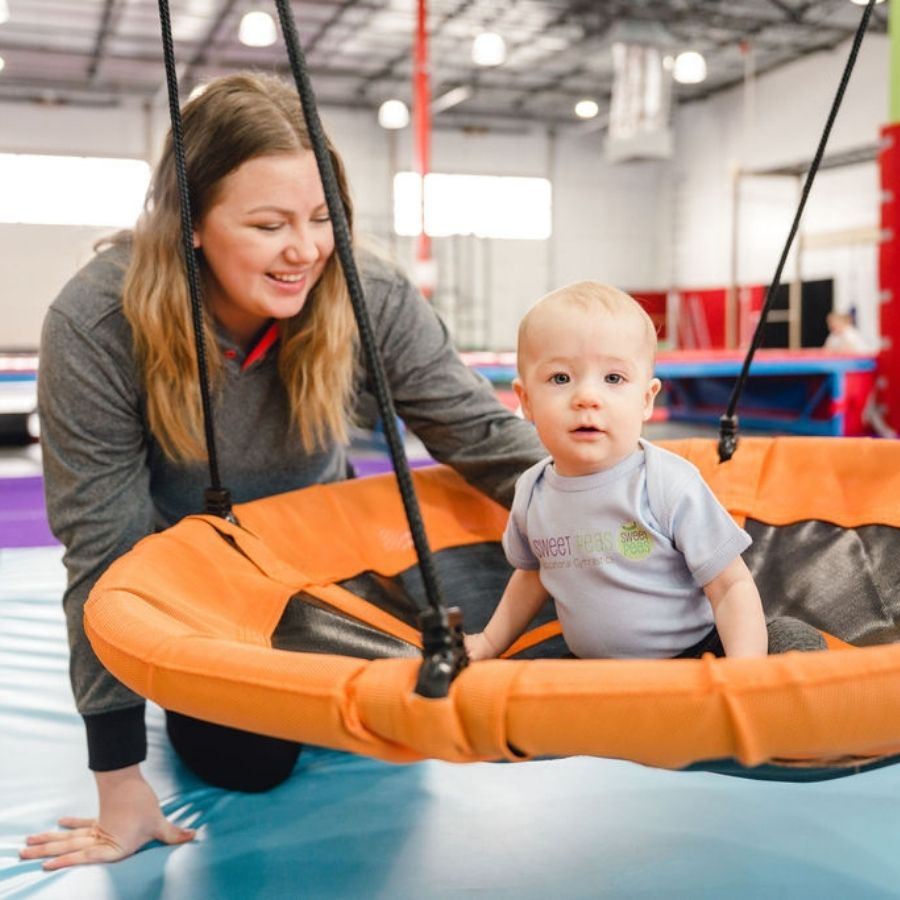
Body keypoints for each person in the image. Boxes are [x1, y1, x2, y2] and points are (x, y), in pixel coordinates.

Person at [21, 72, 546, 870]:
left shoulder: (365, 293)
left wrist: (646, 524)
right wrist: (119, 780)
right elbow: (103, 553)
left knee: (532, 591)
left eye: (321, 217)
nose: (305, 249)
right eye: (268, 224)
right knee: (249, 764)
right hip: (204, 592)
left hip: (332, 566)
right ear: (189, 224)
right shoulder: (96, 325)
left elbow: (482, 437)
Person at [465, 282, 826, 664]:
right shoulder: (532, 492)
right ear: (526, 402)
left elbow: (730, 584)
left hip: (696, 652)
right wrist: (489, 642)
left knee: (792, 637)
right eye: (560, 378)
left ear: (646, 399)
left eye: (613, 379)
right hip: (595, 669)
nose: (587, 397)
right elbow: (532, 575)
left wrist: (743, 671)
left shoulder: (667, 483)